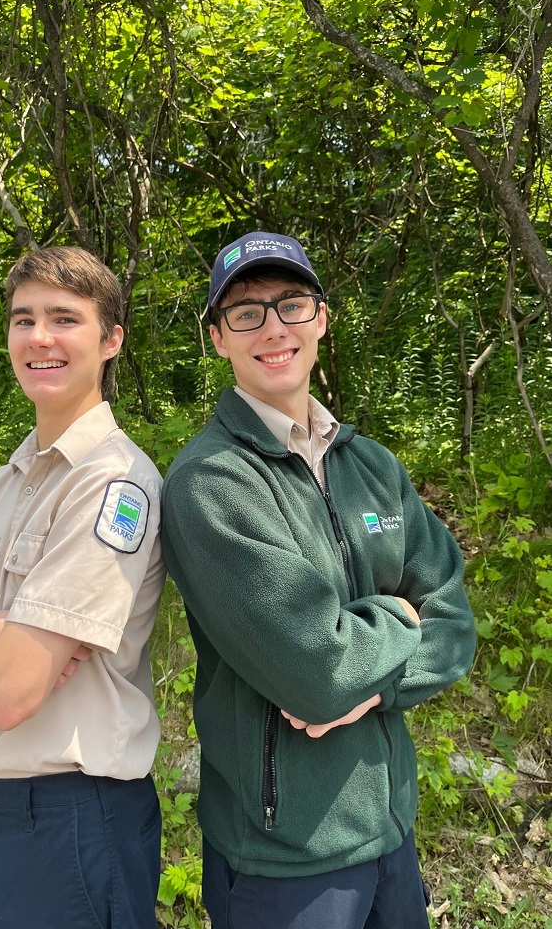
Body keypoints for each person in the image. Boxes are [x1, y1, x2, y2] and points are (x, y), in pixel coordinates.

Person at [160, 231, 476, 929]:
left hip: (391, 829)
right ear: (218, 338)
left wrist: (372, 687)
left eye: (292, 304)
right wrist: (400, 615)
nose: (273, 327)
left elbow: (455, 626)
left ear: (322, 319)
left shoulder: (373, 468)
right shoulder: (210, 483)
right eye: (246, 312)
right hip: (284, 859)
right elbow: (318, 672)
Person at [0, 246, 165, 929]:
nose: (40, 338)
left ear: (110, 341)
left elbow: (9, 693)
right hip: (3, 814)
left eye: (64, 319)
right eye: (24, 320)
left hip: (78, 821)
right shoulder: (7, 482)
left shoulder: (112, 483)